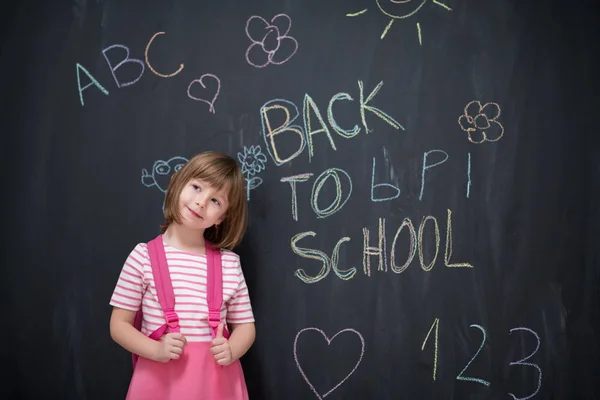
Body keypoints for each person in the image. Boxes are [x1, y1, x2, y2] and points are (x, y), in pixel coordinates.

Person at [109, 151, 255, 399]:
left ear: (221, 217)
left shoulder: (229, 264)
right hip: (158, 383)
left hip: (216, 385)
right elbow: (119, 325)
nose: (201, 202)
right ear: (177, 184)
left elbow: (245, 327)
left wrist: (231, 349)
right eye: (196, 187)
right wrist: (156, 350)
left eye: (215, 201)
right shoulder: (142, 257)